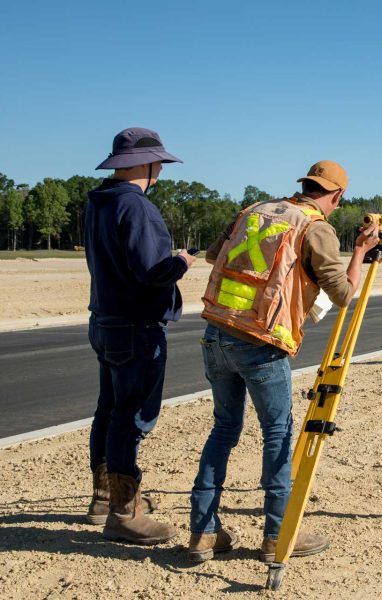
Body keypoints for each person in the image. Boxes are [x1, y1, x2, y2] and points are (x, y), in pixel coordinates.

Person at [188, 160, 380, 562]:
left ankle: (203, 532)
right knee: (276, 434)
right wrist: (361, 250)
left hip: (217, 331)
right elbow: (345, 294)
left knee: (223, 429)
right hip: (261, 342)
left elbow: (212, 255)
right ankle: (278, 535)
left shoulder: (253, 211)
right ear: (337, 195)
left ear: (304, 184)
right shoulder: (316, 227)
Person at [85, 127, 197, 544]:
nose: (162, 172)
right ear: (146, 164)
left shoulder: (99, 201)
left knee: (109, 409)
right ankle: (123, 511)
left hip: (105, 319)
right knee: (130, 418)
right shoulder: (137, 207)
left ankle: (104, 497)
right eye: (159, 165)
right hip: (136, 326)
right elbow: (151, 271)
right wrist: (182, 262)